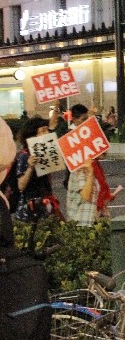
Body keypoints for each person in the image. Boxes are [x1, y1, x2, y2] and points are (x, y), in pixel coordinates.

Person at [0, 116, 52, 339]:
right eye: (40, 130)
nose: (44, 134)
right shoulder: (23, 157)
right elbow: (20, 185)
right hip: (28, 207)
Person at [13, 117, 61, 222]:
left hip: (45, 205)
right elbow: (21, 186)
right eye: (42, 130)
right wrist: (30, 167)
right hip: (30, 209)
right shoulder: (25, 156)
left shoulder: (45, 153)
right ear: (33, 135)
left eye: (47, 130)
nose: (46, 133)